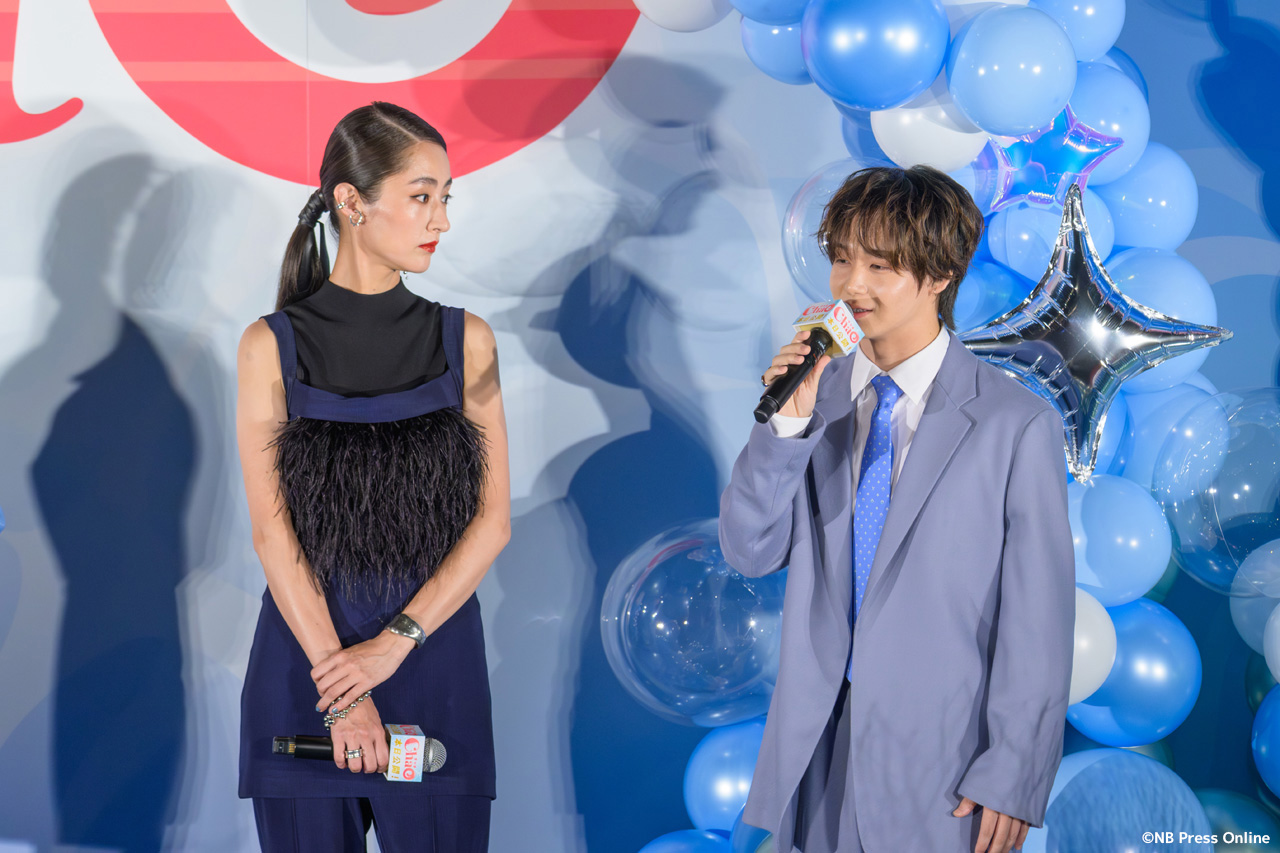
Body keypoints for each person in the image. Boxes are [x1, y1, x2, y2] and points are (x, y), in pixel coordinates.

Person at [719, 165, 1075, 853]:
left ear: (941, 274)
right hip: (817, 747)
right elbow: (750, 551)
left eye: (880, 265)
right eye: (842, 259)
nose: (852, 285)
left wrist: (1014, 768)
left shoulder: (1013, 423)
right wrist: (785, 428)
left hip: (941, 760)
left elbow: (1039, 618)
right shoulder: (815, 399)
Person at [235, 101, 510, 853]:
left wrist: (393, 645)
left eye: (445, 198)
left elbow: (492, 522)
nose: (441, 220)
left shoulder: (468, 341)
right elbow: (272, 534)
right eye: (422, 196)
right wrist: (342, 690)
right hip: (306, 671)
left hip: (435, 665)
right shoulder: (268, 346)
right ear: (351, 201)